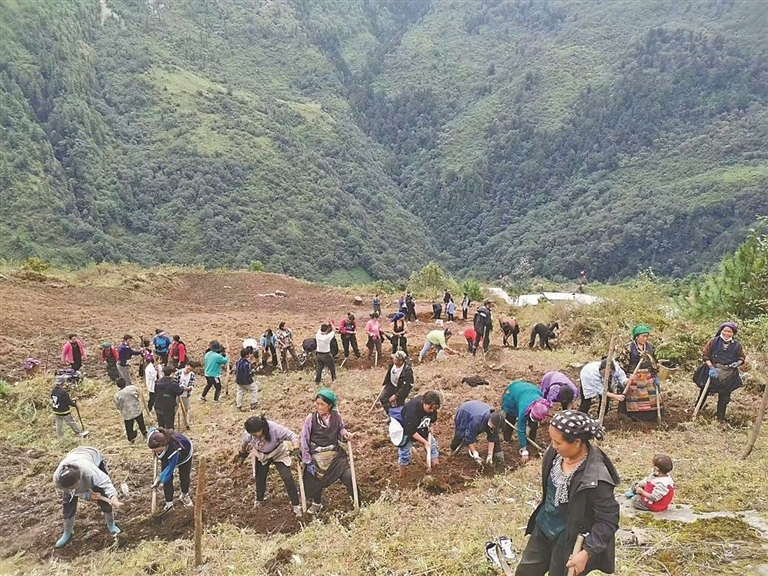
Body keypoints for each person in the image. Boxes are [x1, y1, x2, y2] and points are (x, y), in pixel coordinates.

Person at [515, 411, 619, 576]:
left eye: (558, 442)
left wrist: (586, 552)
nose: (553, 445)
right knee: (525, 572)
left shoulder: (596, 477)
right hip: (544, 525)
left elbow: (608, 520)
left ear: (577, 442)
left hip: (569, 538)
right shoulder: (555, 454)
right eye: (552, 440)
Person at [53, 447, 123, 547]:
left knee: (102, 494)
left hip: (92, 455)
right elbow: (71, 492)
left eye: (76, 486)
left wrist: (113, 497)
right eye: (72, 487)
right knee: (68, 503)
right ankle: (67, 531)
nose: (75, 488)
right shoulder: (58, 480)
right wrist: (88, 495)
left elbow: (105, 482)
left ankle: (111, 524)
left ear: (80, 478)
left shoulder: (90, 472)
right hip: (75, 455)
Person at [235, 415, 303, 517]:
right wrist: (241, 454)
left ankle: (296, 505)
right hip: (261, 455)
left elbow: (292, 436)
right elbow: (244, 444)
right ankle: (259, 500)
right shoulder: (249, 434)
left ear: (261, 429)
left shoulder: (274, 429)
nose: (255, 436)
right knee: (260, 478)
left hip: (278, 452)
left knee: (287, 477)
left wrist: (296, 448)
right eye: (252, 434)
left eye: (256, 433)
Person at [300, 388, 355, 513]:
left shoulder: (337, 417)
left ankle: (357, 501)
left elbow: (341, 430)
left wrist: (346, 435)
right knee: (312, 479)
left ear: (329, 405)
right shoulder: (311, 418)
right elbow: (304, 438)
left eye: (322, 404)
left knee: (348, 476)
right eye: (317, 403)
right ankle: (317, 503)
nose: (319, 407)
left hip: (335, 455)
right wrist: (307, 459)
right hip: (317, 456)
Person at [693, 321, 746, 422]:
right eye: (725, 331)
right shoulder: (713, 341)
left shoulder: (737, 346)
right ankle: (697, 409)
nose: (727, 333)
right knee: (704, 392)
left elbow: (741, 357)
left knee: (724, 397)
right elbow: (705, 355)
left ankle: (720, 419)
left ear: (733, 333)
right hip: (712, 371)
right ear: (721, 331)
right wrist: (711, 368)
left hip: (728, 374)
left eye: (729, 331)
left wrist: (738, 363)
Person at [617, 324, 662, 421]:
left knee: (652, 394)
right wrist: (624, 378)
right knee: (632, 394)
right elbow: (622, 364)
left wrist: (655, 375)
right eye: (643, 336)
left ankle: (651, 417)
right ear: (636, 337)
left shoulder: (650, 347)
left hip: (647, 374)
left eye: (647, 336)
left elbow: (654, 362)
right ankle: (631, 417)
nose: (645, 338)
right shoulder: (628, 347)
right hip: (633, 375)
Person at [501, 381, 551, 463]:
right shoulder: (523, 410)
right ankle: (507, 440)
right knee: (511, 418)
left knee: (534, 424)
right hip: (512, 394)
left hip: (531, 390)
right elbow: (521, 429)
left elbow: (536, 418)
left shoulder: (542, 403)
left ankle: (531, 441)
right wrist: (524, 450)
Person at [148, 427, 194, 512]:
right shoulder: (154, 435)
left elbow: (169, 470)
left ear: (163, 446)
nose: (155, 452)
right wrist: (155, 451)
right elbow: (152, 429)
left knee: (184, 476)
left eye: (156, 450)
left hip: (184, 454)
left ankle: (184, 495)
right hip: (167, 454)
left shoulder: (174, 451)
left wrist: (159, 479)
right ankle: (169, 503)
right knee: (168, 481)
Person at [398, 391, 440, 476]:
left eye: (434, 409)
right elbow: (411, 431)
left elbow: (432, 418)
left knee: (432, 445)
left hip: (422, 426)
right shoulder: (412, 411)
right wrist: (425, 442)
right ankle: (402, 476)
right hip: (406, 429)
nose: (432, 410)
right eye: (430, 408)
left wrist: (431, 426)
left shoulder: (432, 407)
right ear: (424, 403)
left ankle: (436, 468)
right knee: (405, 452)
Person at [450, 401, 505, 465]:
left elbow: (492, 437)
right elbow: (469, 437)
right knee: (461, 434)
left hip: (477, 411)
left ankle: (497, 455)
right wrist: (475, 453)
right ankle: (452, 448)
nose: (493, 428)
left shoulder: (496, 421)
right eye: (493, 426)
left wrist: (490, 454)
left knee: (493, 436)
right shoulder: (477, 421)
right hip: (464, 412)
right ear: (490, 420)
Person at [378, 351, 414, 416]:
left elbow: (405, 387)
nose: (393, 359)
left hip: (401, 388)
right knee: (383, 397)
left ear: (400, 361)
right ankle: (390, 414)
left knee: (399, 405)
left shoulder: (407, 371)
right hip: (391, 384)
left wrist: (396, 395)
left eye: (395, 359)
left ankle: (399, 416)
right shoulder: (392, 364)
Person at [113, 377, 147, 442]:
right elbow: (139, 392)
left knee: (129, 427)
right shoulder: (132, 388)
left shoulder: (117, 395)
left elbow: (117, 405)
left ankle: (131, 438)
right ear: (125, 383)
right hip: (137, 410)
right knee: (141, 423)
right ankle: (144, 433)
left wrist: (121, 409)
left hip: (127, 413)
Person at [174, 361, 197, 429]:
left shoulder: (192, 375)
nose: (188, 371)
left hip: (185, 395)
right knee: (174, 409)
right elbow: (174, 383)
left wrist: (187, 388)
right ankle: (171, 423)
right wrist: (179, 388)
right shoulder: (178, 373)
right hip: (176, 394)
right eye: (188, 369)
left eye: (190, 370)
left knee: (186, 409)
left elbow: (192, 384)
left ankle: (186, 423)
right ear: (186, 365)